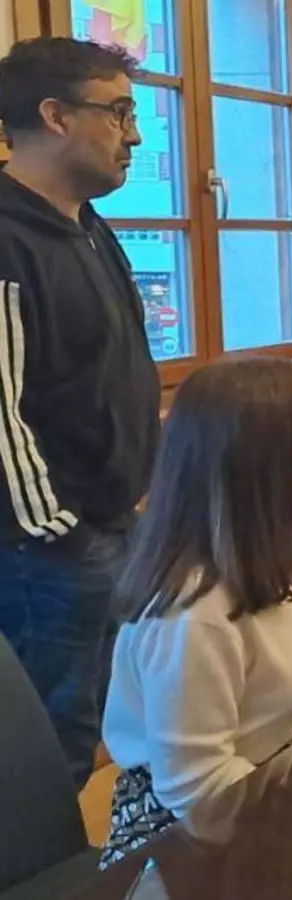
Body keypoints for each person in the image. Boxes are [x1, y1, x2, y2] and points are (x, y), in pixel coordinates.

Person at [0, 37, 162, 787]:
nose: (135, 135)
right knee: (47, 753)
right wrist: (57, 531)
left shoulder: (89, 227)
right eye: (119, 112)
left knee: (98, 726)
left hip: (110, 525)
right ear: (55, 116)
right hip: (47, 551)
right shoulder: (7, 243)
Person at [99, 358, 292, 867]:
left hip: (256, 793)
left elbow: (272, 695)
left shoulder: (263, 565)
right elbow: (198, 789)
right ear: (265, 467)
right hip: (187, 836)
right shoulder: (194, 616)